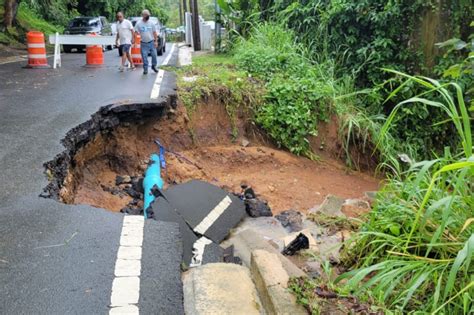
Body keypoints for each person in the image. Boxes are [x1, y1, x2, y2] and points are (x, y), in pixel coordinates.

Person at [135, 9, 159, 75]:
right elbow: (136, 32)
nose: (148, 16)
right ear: (143, 15)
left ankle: (154, 66)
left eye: (148, 15)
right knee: (144, 57)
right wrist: (135, 41)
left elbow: (154, 33)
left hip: (151, 42)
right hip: (143, 43)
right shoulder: (139, 23)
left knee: (154, 55)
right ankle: (145, 69)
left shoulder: (151, 23)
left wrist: (156, 41)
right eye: (146, 15)